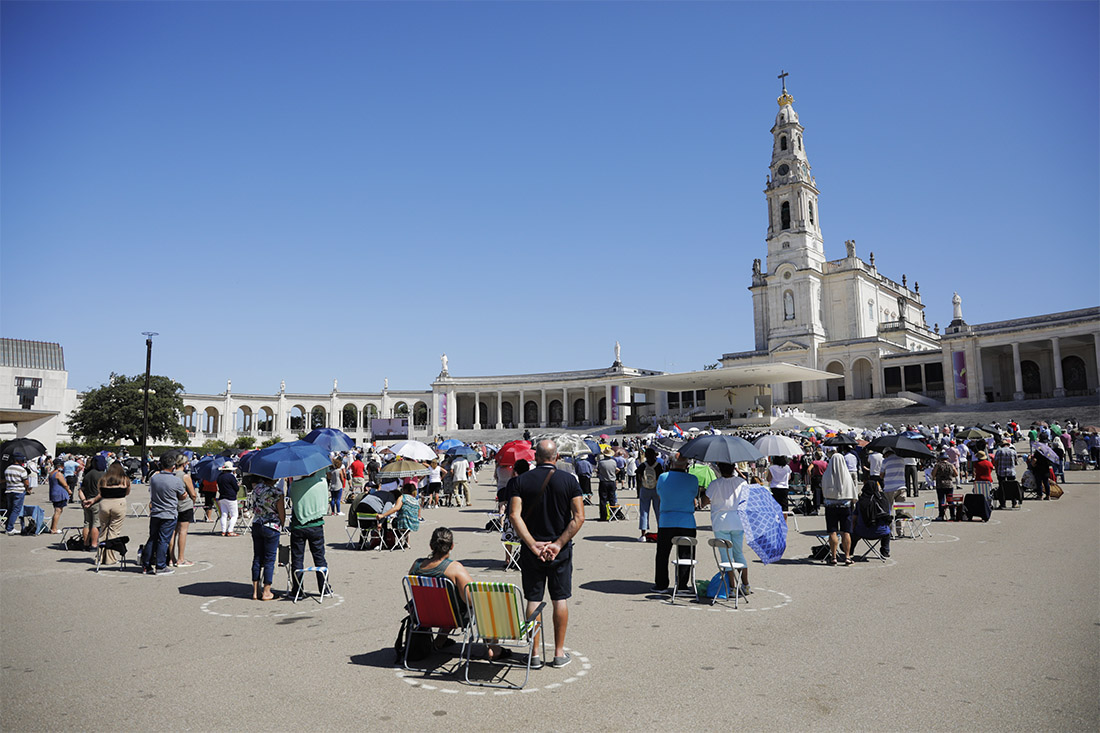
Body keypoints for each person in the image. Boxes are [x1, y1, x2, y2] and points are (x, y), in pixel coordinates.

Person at [508, 440, 585, 669]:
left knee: (534, 599)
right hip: (559, 550)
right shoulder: (569, 480)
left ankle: (534, 653)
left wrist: (532, 545)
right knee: (559, 599)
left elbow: (514, 515)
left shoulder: (519, 481)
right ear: (557, 457)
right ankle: (559, 653)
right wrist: (558, 544)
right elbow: (579, 517)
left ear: (535, 457)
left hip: (533, 550)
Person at [408, 527, 500, 654]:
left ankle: (440, 640)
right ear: (451, 546)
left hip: (423, 615)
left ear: (431, 546)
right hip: (452, 617)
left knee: (445, 602)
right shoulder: (454, 569)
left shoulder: (416, 565)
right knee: (482, 603)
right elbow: (472, 600)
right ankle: (494, 648)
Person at [703, 462, 750, 595]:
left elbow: (705, 500)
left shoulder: (715, 484)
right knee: (738, 553)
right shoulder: (742, 482)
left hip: (721, 521)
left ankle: (732, 587)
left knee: (726, 556)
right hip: (737, 521)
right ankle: (746, 584)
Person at [653, 455, 698, 593]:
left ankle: (661, 584)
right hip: (686, 521)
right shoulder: (693, 479)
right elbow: (694, 496)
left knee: (662, 554)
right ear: (686, 464)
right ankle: (682, 585)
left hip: (667, 520)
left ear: (671, 462)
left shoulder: (663, 477)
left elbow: (660, 495)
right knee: (686, 554)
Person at [288, 467, 331, 597]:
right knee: (319, 557)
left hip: (298, 524)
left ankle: (298, 590)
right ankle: (325, 588)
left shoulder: (294, 486)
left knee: (297, 559)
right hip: (316, 524)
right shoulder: (321, 483)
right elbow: (326, 474)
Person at [141, 454, 185, 575]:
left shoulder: (154, 478)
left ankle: (146, 565)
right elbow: (182, 495)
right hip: (169, 513)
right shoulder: (176, 480)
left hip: (156, 512)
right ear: (173, 467)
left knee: (152, 539)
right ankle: (160, 566)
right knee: (163, 540)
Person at [249, 474, 285, 601]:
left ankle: (255, 591)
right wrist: (282, 522)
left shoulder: (256, 489)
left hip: (257, 523)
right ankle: (266, 591)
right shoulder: (277, 492)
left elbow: (252, 506)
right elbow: (281, 511)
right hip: (271, 525)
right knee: (270, 559)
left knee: (257, 557)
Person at [821, 451, 857, 565]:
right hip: (845, 505)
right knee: (846, 531)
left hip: (830, 505)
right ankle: (847, 556)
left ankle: (833, 557)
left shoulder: (826, 475)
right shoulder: (846, 474)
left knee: (832, 531)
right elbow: (853, 490)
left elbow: (823, 490)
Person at [96, 461, 131, 565]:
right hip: (118, 503)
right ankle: (110, 558)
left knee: (103, 530)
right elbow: (127, 492)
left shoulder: (103, 479)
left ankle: (100, 557)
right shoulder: (125, 479)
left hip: (105, 503)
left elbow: (100, 492)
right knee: (114, 531)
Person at [168, 454, 198, 567]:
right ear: (184, 464)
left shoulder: (171, 474)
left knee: (172, 532)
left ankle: (171, 558)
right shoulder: (185, 476)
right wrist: (193, 502)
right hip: (184, 506)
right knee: (183, 531)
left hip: (173, 505)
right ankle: (181, 558)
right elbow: (193, 494)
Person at [635, 447, 663, 541]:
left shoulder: (643, 465)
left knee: (644, 511)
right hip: (656, 489)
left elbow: (639, 477)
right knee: (658, 511)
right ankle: (661, 532)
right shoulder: (658, 465)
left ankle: (643, 534)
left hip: (645, 489)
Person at [4, 453, 32, 535]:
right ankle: (10, 528)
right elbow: (26, 482)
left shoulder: (8, 468)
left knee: (10, 509)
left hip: (9, 490)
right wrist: (27, 489)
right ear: (19, 460)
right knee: (16, 510)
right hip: (18, 491)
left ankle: (7, 526)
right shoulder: (22, 470)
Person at [47, 458, 72, 534]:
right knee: (58, 511)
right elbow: (64, 484)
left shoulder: (52, 473)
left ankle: (53, 527)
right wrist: (69, 491)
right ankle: (54, 528)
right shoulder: (58, 474)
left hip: (54, 493)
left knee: (57, 510)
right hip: (59, 494)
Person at [931, 452, 958, 520]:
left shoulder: (938, 465)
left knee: (941, 500)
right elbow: (956, 474)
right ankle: (952, 515)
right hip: (949, 484)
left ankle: (941, 515)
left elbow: (933, 474)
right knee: (950, 500)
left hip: (940, 484)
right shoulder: (951, 465)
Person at [216, 462, 240, 536]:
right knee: (234, 515)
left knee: (224, 514)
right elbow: (236, 488)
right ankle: (230, 530)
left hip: (222, 496)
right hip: (231, 497)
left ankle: (223, 530)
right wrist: (237, 485)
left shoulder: (219, 476)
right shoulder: (231, 477)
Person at [596, 447, 619, 521]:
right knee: (612, 499)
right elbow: (616, 469)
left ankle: (603, 516)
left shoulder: (601, 462)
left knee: (603, 499)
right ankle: (613, 515)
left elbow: (598, 470)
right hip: (612, 481)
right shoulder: (613, 462)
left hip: (603, 482)